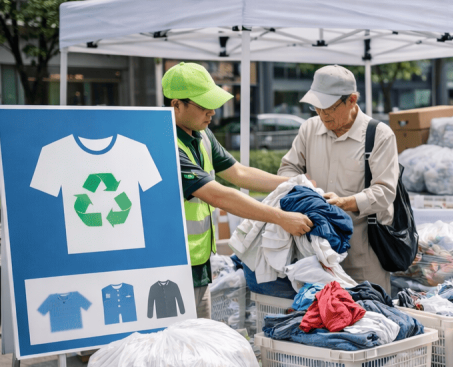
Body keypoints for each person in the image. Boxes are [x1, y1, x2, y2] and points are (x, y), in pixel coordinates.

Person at [163, 62, 313, 318]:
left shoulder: (202, 135)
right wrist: (281, 217)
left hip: (199, 263)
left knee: (199, 343)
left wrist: (297, 183)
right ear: (176, 104)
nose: (212, 111)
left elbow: (239, 173)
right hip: (171, 266)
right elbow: (219, 195)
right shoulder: (166, 143)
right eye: (203, 105)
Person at [278, 65, 401, 292]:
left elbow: (385, 192)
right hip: (316, 252)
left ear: (352, 100)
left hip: (364, 254)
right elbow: (288, 168)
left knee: (369, 314)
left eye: (330, 108)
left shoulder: (379, 135)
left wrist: (346, 202)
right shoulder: (309, 129)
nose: (323, 115)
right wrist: (302, 189)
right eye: (317, 108)